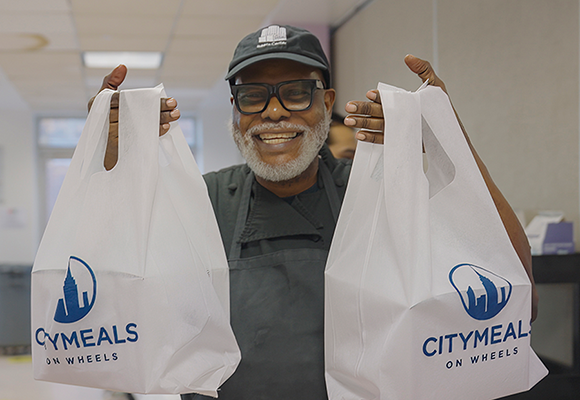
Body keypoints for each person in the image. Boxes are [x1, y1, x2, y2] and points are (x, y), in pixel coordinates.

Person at [92, 25, 538, 400]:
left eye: (296, 93)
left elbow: (517, 303)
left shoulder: (382, 196)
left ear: (327, 103)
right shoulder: (200, 203)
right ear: (235, 111)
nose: (273, 112)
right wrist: (106, 166)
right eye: (252, 96)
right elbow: (113, 308)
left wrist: (448, 140)